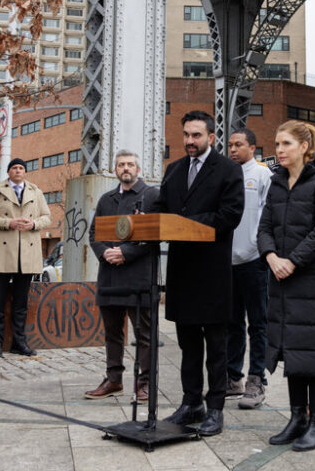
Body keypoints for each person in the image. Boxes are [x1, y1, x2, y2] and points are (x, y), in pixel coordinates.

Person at [152, 110, 244, 437]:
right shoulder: (174, 169)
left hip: (212, 270)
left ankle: (215, 407)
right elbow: (163, 207)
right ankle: (191, 402)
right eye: (186, 135)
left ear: (211, 137)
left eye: (196, 135)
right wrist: (146, 217)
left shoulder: (228, 169)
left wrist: (185, 225)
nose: (190, 141)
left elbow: (230, 215)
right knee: (188, 344)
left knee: (216, 345)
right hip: (182, 270)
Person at [259, 120, 315, 452]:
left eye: (286, 144)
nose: (279, 150)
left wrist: (291, 261)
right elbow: (264, 226)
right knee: (292, 348)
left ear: (304, 147)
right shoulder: (277, 181)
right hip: (282, 281)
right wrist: (270, 256)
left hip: (314, 280)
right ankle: (296, 418)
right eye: (277, 144)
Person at [86, 150, 159, 403]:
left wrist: (125, 253)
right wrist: (105, 252)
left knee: (145, 335)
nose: (125, 168)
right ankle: (114, 380)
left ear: (138, 169)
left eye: (129, 164)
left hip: (139, 276)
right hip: (110, 276)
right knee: (112, 333)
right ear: (116, 170)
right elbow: (94, 233)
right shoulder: (106, 199)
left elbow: (155, 235)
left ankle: (145, 385)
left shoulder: (152, 196)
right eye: (120, 165)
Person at [0, 158, 52, 358]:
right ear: (8, 172)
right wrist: (8, 223)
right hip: (1, 253)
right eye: (14, 168)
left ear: (25, 172)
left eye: (21, 168)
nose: (18, 170)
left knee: (21, 304)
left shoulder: (36, 192)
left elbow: (47, 217)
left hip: (26, 253)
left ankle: (19, 343)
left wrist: (34, 224)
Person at [225, 128, 272, 409]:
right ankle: (233, 378)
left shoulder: (263, 175)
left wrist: (261, 248)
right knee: (232, 323)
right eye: (230, 145)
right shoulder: (226, 175)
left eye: (238, 145)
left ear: (252, 148)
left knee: (257, 323)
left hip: (254, 260)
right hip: (227, 261)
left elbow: (268, 216)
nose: (232, 149)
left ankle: (257, 380)